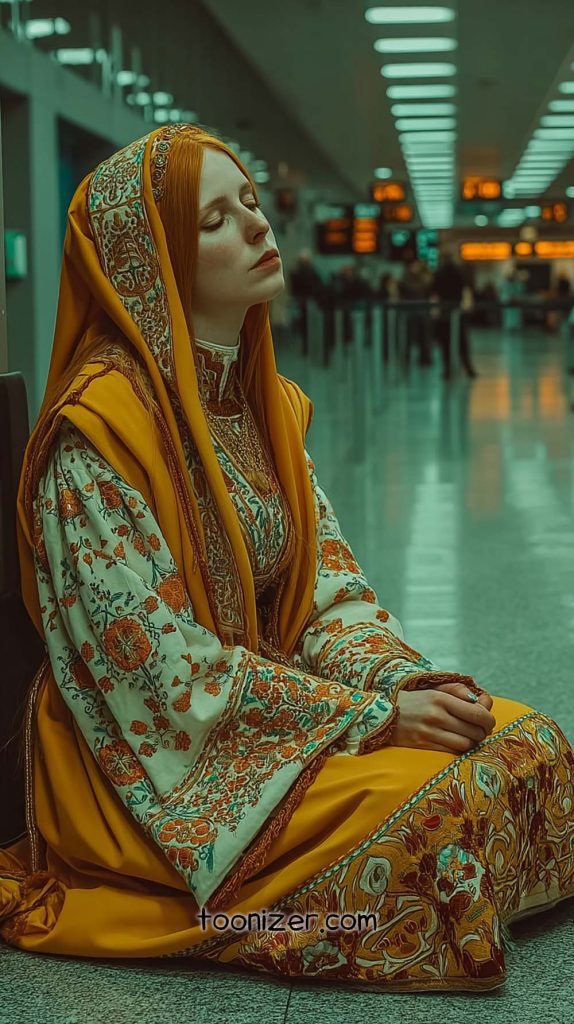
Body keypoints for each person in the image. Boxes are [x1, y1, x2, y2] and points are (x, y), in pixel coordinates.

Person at [1, 124, 573, 992]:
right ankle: (292, 910)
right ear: (150, 260)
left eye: (253, 206)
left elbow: (327, 595)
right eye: (215, 220)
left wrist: (401, 688)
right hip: (152, 764)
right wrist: (370, 725)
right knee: (446, 811)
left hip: (279, 720)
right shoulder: (98, 436)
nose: (259, 229)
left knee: (529, 745)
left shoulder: (261, 406)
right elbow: (158, 673)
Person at [432, 252, 478, 379]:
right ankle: (467, 368)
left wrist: (435, 311)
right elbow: (465, 289)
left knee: (445, 342)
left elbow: (435, 293)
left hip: (444, 311)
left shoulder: (439, 274)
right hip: (457, 310)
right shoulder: (459, 272)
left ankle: (448, 369)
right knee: (462, 341)